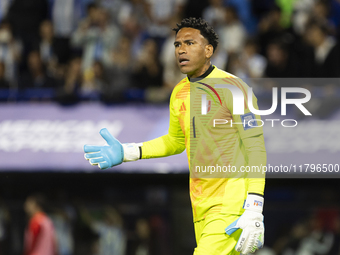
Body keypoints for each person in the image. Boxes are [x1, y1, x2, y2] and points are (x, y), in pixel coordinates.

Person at [84, 17, 266, 255]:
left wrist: (254, 206)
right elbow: (175, 141)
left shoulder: (234, 88)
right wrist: (129, 151)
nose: (181, 50)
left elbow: (255, 148)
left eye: (190, 43)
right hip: (200, 206)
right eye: (177, 44)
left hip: (231, 204)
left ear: (209, 50)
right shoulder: (179, 92)